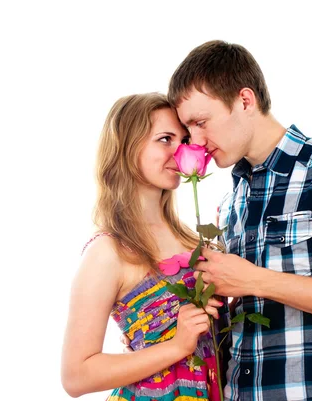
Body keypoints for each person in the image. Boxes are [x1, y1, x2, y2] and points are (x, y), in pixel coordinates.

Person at [167, 40, 312, 401]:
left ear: (245, 101)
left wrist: (255, 280)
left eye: (201, 122)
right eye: (188, 130)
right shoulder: (231, 204)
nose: (196, 141)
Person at [61, 93, 224, 400]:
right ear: (127, 147)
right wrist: (177, 346)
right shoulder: (107, 252)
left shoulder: (196, 241)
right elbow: (75, 376)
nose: (180, 150)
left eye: (184, 139)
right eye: (165, 139)